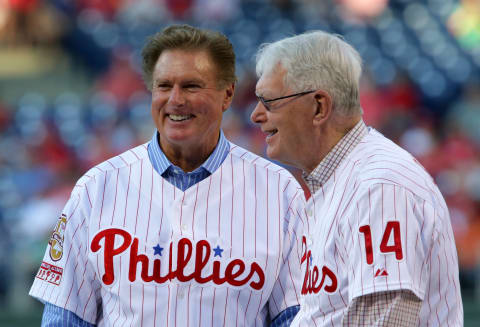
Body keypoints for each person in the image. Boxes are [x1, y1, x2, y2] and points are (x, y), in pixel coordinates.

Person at [30, 24, 306, 326]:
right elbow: (64, 318)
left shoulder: (279, 191)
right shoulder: (96, 188)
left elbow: (294, 317)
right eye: (163, 86)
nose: (175, 99)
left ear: (227, 94)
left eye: (191, 86)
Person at [250, 31, 463, 326]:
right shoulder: (338, 180)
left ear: (318, 107)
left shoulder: (379, 187)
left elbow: (386, 322)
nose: (256, 115)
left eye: (269, 101)